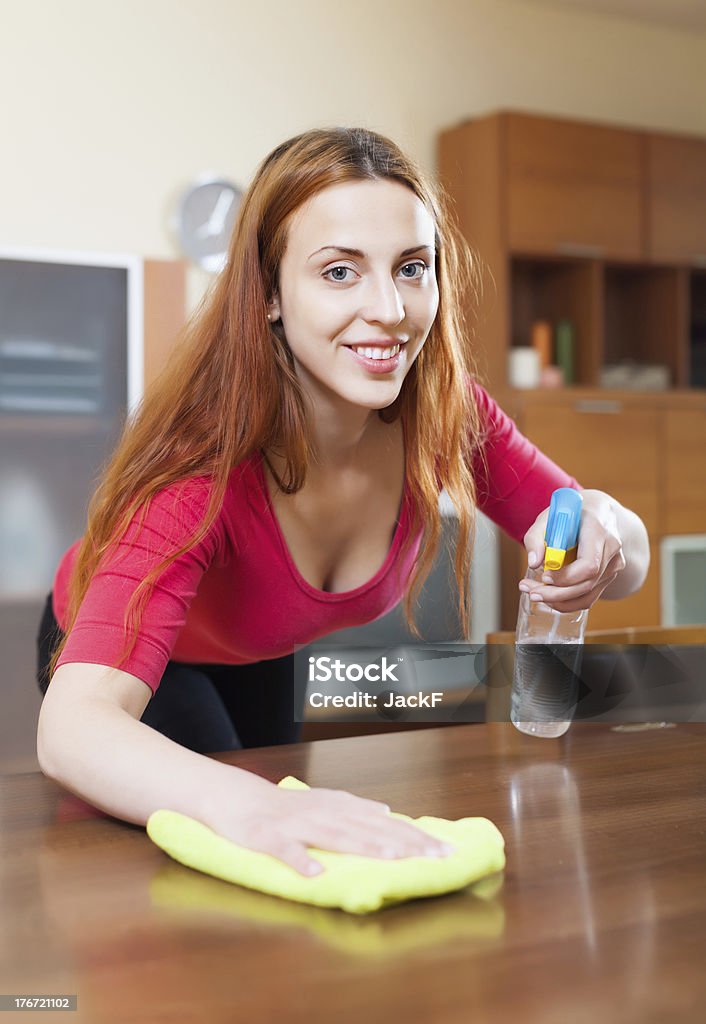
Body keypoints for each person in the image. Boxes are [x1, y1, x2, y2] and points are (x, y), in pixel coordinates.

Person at [36, 127, 650, 877]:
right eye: (339, 273)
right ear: (267, 294)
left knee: (288, 842)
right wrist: (247, 804)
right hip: (129, 664)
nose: (389, 309)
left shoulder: (445, 413)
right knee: (226, 839)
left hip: (257, 648)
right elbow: (72, 731)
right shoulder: (201, 473)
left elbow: (617, 557)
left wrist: (604, 525)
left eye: (411, 268)